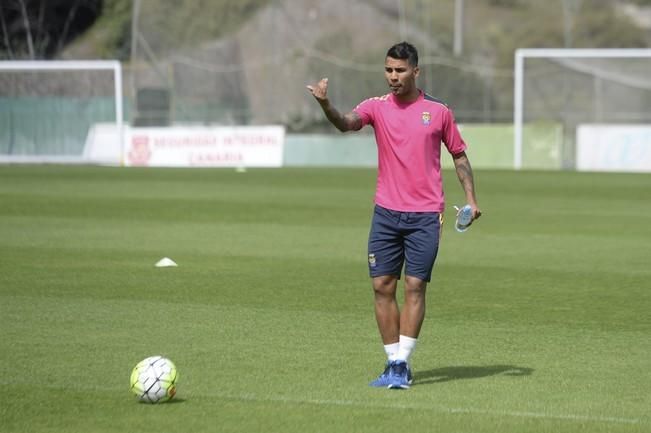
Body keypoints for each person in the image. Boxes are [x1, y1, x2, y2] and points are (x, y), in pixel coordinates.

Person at [307, 41, 481, 389]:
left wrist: (471, 200)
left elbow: (459, 155)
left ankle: (402, 364)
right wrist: (326, 104)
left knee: (415, 286)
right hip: (386, 213)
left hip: (425, 215)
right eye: (388, 70)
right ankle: (393, 363)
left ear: (416, 71)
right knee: (382, 286)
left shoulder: (438, 111)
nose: (393, 77)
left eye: (400, 70)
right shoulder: (376, 107)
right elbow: (345, 123)